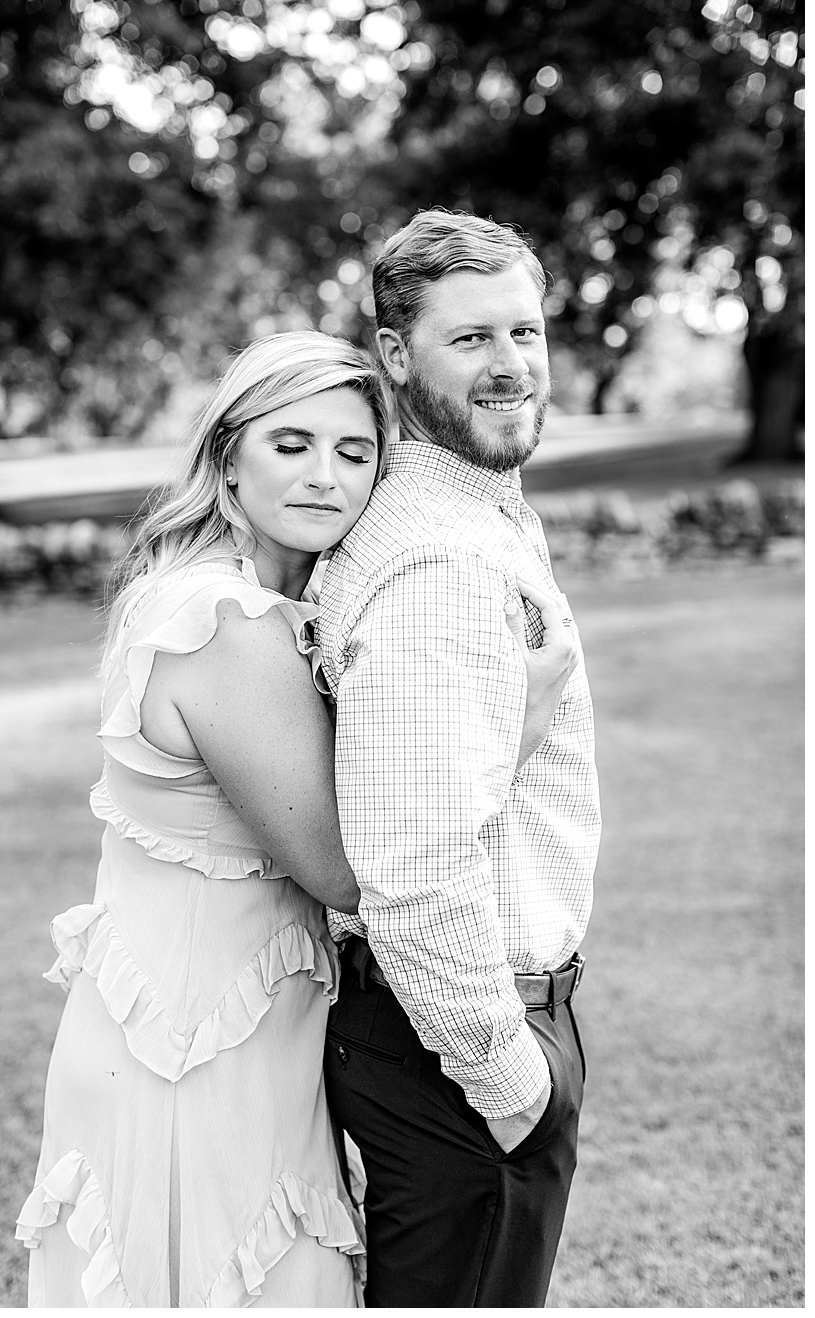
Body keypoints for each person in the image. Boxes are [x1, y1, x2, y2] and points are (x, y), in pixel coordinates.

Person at [16, 330, 577, 1305]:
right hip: (197, 1048)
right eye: (292, 444)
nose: (325, 476)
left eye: (354, 453)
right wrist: (516, 728)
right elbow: (348, 869)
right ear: (228, 452)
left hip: (233, 1021)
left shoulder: (237, 597)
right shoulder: (224, 626)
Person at [317, 209, 599, 1306]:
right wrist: (509, 1078)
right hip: (461, 1048)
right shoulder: (437, 560)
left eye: (525, 332)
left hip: (468, 1027)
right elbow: (416, 860)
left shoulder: (474, 517)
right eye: (472, 338)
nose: (511, 364)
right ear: (396, 357)